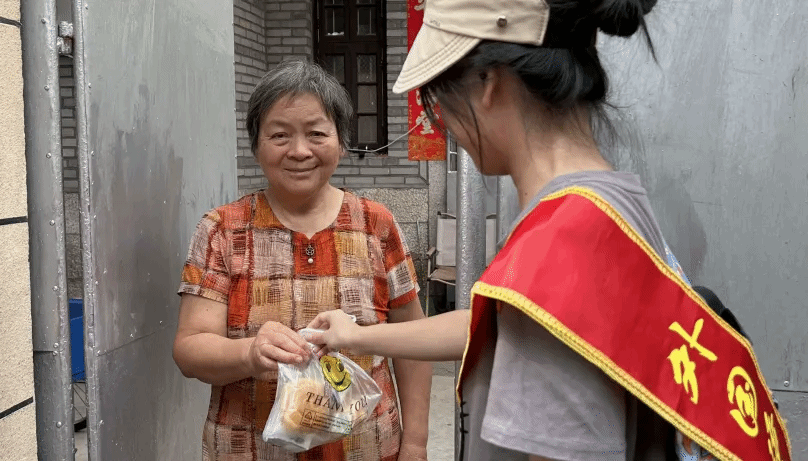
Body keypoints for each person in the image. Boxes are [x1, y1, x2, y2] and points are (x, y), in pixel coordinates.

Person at [306, 0, 792, 460]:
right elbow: (499, 322)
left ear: (488, 83)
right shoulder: (608, 206)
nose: (446, 123)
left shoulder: (558, 250)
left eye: (439, 99)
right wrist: (359, 336)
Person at [173, 60, 432, 461]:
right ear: (256, 144)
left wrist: (415, 445)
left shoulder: (376, 225)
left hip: (367, 449)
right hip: (251, 449)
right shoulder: (222, 229)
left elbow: (413, 344)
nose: (299, 151)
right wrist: (249, 354)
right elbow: (190, 349)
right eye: (279, 135)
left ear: (341, 142)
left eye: (316, 133)